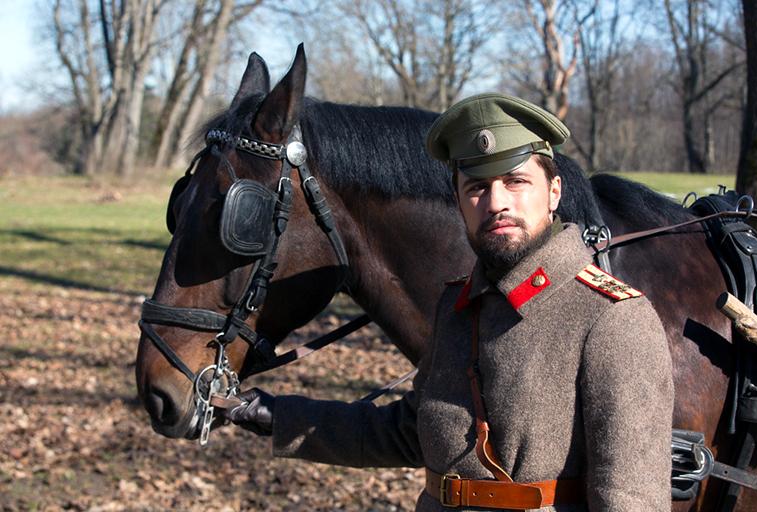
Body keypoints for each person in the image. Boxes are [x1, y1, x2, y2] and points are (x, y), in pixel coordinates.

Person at [222, 93, 674, 511]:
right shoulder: (458, 307)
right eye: (476, 187)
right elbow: (414, 433)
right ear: (458, 201)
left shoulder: (612, 319)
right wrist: (275, 415)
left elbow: (629, 498)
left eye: (516, 181)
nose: (495, 203)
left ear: (554, 192)